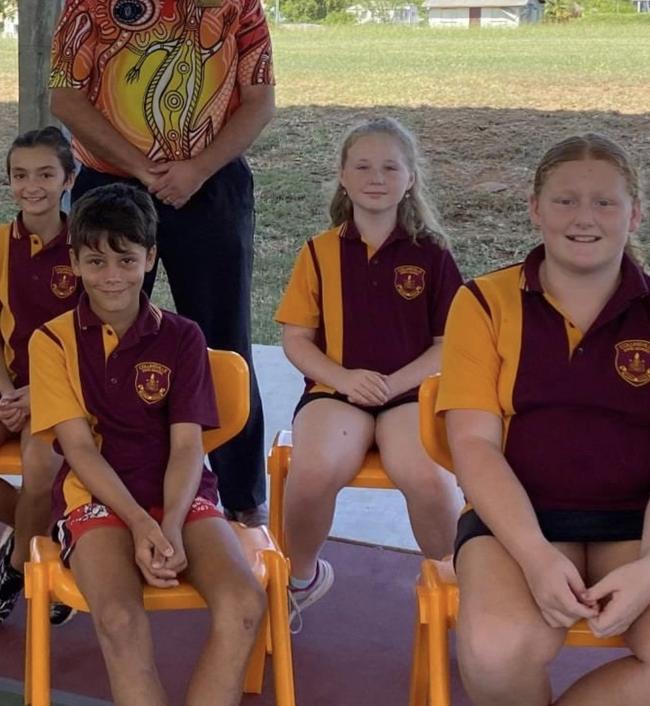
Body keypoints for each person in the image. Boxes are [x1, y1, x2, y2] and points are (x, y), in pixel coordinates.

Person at [48, 0, 275, 525]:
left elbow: (259, 100)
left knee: (223, 341)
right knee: (104, 341)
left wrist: (197, 168)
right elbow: (66, 95)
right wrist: (144, 169)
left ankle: (242, 507)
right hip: (113, 190)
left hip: (211, 187)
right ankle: (89, 508)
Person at [29, 184, 265, 706]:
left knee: (245, 603)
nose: (111, 275)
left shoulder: (183, 337)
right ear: (75, 260)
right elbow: (80, 452)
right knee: (118, 616)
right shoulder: (50, 341)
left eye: (126, 258)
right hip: (96, 499)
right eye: (95, 260)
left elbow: (187, 449)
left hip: (184, 498)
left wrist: (172, 526)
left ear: (150, 257)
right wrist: (141, 524)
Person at [436, 133, 650, 706]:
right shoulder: (482, 302)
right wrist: (534, 554)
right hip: (516, 521)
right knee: (496, 649)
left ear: (635, 214)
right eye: (564, 200)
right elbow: (474, 446)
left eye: (605, 202)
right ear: (535, 209)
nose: (585, 217)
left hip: (636, 521)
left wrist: (649, 570)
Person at [275, 116, 463, 627]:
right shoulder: (318, 253)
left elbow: (451, 345)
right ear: (342, 175)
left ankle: (456, 585)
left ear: (410, 179)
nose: (375, 176)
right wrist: (344, 378)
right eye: (362, 165)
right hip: (336, 391)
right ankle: (301, 578)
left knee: (428, 477)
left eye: (389, 167)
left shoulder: (433, 254)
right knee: (311, 473)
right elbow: (296, 340)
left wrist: (394, 383)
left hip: (409, 395)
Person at [0, 126, 81, 625]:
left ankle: (15, 568)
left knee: (40, 465)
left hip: (64, 391)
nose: (33, 186)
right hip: (11, 386)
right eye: (20, 176)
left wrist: (40, 392)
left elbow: (96, 338)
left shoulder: (86, 248)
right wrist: (6, 390)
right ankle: (47, 537)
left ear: (69, 179)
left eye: (46, 174)